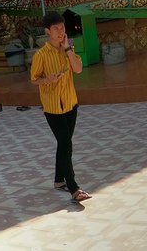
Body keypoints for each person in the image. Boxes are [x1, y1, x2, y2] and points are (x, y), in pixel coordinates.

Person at [30, 11, 90, 203]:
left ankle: (58, 180)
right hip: (53, 107)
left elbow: (78, 69)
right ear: (48, 31)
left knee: (64, 143)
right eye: (55, 28)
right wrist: (47, 79)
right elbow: (34, 79)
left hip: (71, 102)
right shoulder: (41, 55)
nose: (60, 31)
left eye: (62, 27)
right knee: (66, 144)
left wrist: (68, 49)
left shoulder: (68, 49)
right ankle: (73, 187)